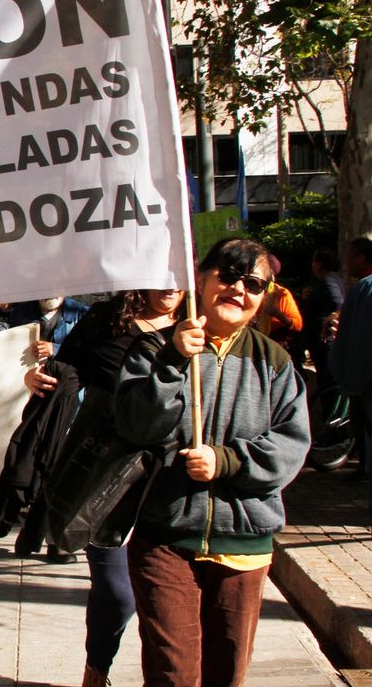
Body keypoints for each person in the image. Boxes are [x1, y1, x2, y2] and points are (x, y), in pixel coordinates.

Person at [115, 237, 309, 686]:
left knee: (227, 674)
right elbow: (134, 425)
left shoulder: (275, 362)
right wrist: (174, 360)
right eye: (228, 275)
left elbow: (292, 445)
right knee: (173, 674)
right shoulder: (154, 350)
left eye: (254, 283)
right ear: (199, 279)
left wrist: (227, 461)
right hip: (165, 537)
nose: (239, 289)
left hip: (244, 543)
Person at [22, 289, 184, 687]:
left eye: (178, 276)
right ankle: (97, 668)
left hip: (174, 485)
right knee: (117, 594)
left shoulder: (200, 326)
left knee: (169, 603)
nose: (169, 286)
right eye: (159, 276)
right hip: (105, 479)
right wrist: (36, 379)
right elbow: (65, 369)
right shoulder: (108, 320)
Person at [330, 237, 372, 515]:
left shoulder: (364, 289)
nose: (346, 262)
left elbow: (357, 338)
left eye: (351, 256)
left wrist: (348, 371)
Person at [300, 247, 344, 390]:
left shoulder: (329, 280)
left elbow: (337, 301)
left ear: (319, 264)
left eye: (313, 261)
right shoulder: (331, 279)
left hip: (324, 344)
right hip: (322, 344)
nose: (312, 264)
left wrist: (329, 319)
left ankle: (330, 412)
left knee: (327, 383)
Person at [256, 254, 302, 353]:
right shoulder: (249, 289)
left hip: (273, 345)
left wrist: (277, 313)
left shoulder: (281, 293)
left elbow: (298, 325)